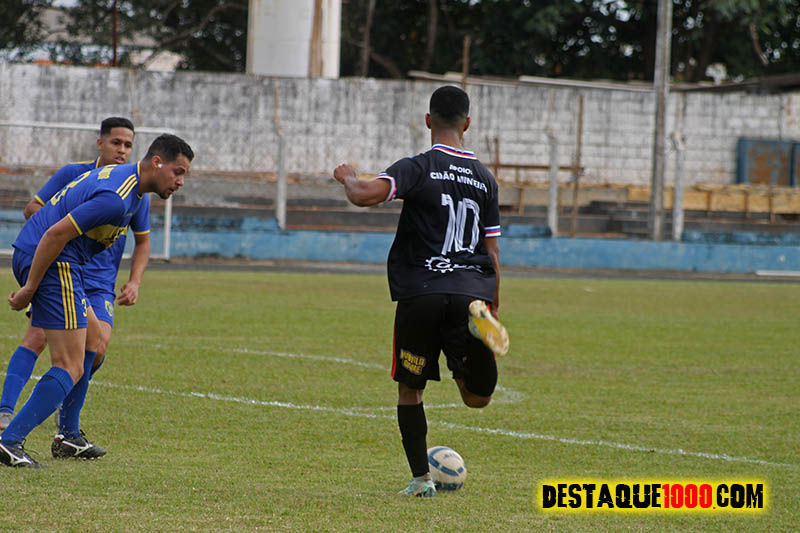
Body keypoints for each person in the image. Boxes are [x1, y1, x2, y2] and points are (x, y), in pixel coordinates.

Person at [333, 86, 508, 497]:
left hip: (422, 292)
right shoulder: (485, 180)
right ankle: (480, 337)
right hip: (470, 291)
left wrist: (346, 175)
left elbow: (362, 195)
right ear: (467, 123)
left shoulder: (418, 167)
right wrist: (493, 307)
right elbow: (492, 252)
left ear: (428, 120)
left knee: (411, 388)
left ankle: (421, 480)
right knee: (476, 399)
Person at [0, 133, 193, 468]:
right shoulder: (117, 199)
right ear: (157, 162)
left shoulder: (132, 190)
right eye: (178, 172)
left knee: (94, 340)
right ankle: (9, 441)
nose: (180, 181)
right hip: (53, 258)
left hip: (56, 259)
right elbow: (55, 233)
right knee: (69, 365)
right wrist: (30, 287)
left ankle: (68, 436)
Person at [0, 117, 151, 439]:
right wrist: (65, 227)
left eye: (128, 145)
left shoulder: (137, 191)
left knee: (96, 346)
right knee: (40, 339)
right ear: (100, 143)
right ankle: (6, 417)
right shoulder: (77, 175)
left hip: (98, 281)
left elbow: (143, 241)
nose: (122, 150)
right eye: (116, 142)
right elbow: (36, 211)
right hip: (59, 265)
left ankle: (67, 424)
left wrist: (134, 281)